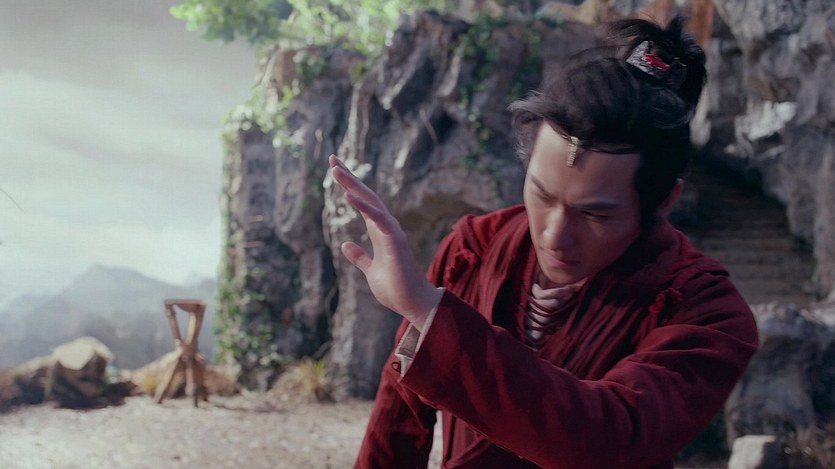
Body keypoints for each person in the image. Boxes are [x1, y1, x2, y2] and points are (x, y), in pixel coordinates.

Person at [329, 15, 759, 469]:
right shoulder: (474, 247)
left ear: (664, 201)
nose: (555, 234)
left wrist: (431, 315)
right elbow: (398, 415)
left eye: (594, 214)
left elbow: (609, 437)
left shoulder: (705, 310)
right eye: (541, 194)